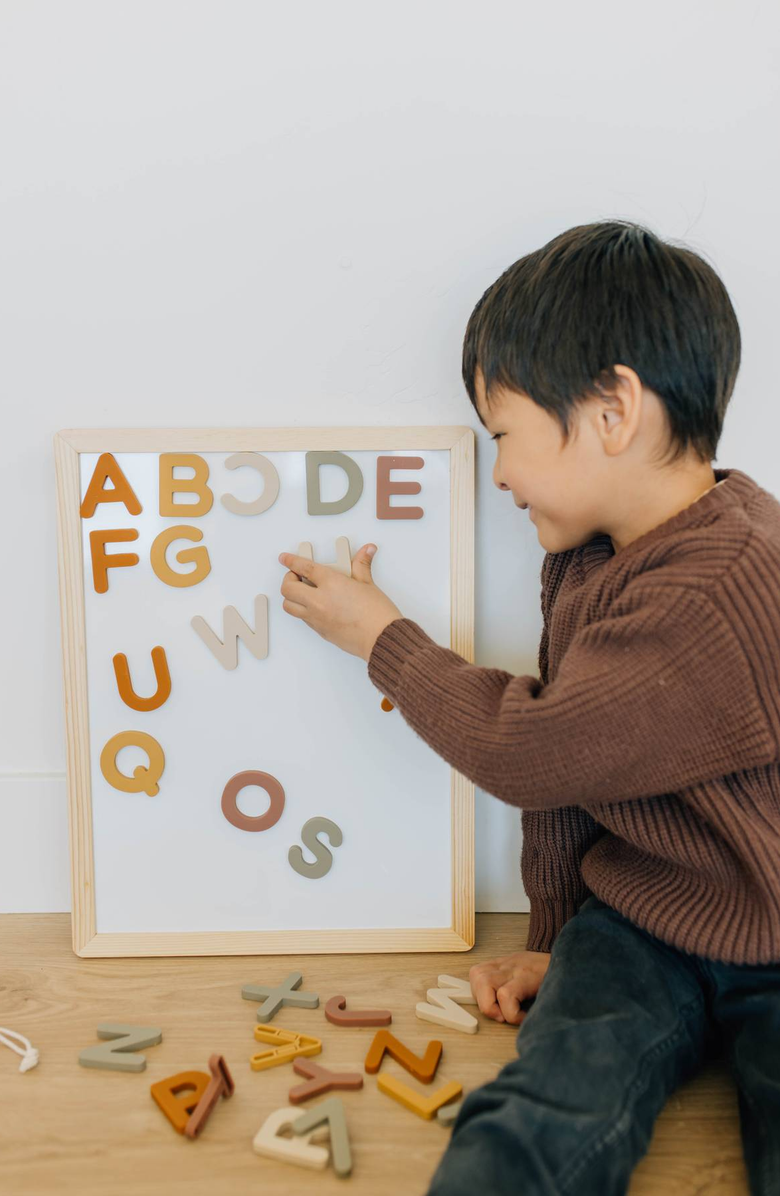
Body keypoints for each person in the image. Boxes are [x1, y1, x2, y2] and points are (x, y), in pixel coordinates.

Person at [277, 218, 780, 1194]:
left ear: (612, 410)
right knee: (538, 1112)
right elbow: (568, 782)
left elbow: (534, 747)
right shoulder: (587, 560)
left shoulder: (728, 582)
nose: (498, 472)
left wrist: (386, 640)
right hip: (645, 922)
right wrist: (552, 934)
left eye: (504, 434)